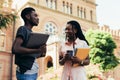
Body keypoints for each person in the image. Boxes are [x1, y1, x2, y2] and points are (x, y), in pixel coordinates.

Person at [12, 7, 46, 80]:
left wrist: (42, 50)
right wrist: (37, 50)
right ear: (27, 16)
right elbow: (15, 48)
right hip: (26, 74)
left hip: (33, 72)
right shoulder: (23, 29)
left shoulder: (31, 33)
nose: (38, 18)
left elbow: (32, 55)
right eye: (35, 15)